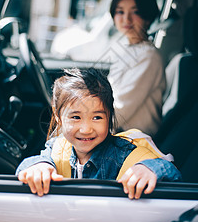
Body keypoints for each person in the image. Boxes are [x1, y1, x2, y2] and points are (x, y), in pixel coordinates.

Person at [16, 68, 180, 198]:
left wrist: (149, 168)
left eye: (97, 117)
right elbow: (29, 165)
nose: (86, 129)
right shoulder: (57, 148)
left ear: (109, 117)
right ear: (58, 117)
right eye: (76, 117)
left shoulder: (124, 155)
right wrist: (39, 166)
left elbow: (173, 174)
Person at [108, 0, 166, 136]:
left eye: (136, 12)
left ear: (148, 17)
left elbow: (121, 110)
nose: (126, 19)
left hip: (135, 142)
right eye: (120, 11)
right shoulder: (127, 49)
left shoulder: (148, 56)